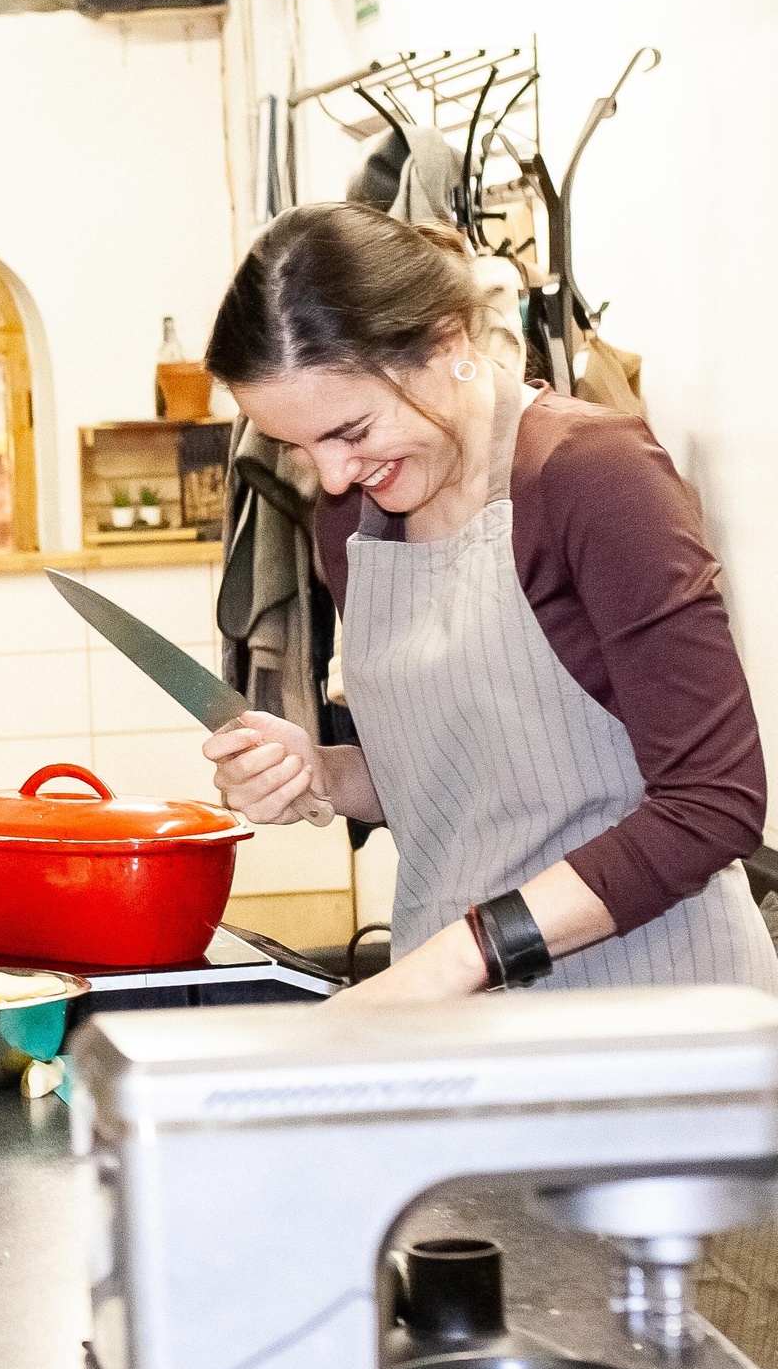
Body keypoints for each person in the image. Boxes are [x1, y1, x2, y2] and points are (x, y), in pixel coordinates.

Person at [198, 202, 775, 1002]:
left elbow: (715, 803)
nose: (331, 475)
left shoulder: (592, 477)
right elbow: (476, 788)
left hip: (655, 1013)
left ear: (446, 341)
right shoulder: (353, 516)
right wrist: (323, 774)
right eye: (299, 447)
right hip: (469, 1023)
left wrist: (465, 953)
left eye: (352, 429)